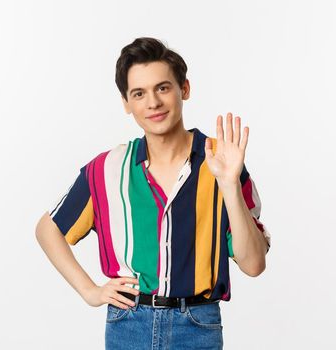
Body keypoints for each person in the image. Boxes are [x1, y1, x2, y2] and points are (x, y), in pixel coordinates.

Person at [34, 37, 271, 349]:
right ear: (126, 103)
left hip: (197, 325)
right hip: (128, 324)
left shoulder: (222, 161)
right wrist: (91, 291)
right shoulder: (107, 169)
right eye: (139, 93)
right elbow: (48, 229)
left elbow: (253, 265)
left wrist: (228, 184)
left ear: (184, 89)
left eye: (163, 88)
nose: (153, 103)